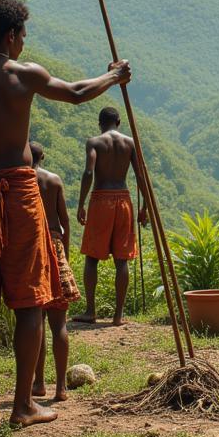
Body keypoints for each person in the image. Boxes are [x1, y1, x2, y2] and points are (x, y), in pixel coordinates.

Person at [0, 0, 131, 430]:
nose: (25, 42)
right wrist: (114, 75)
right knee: (29, 301)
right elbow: (78, 93)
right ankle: (23, 406)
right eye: (23, 34)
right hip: (19, 193)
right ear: (11, 35)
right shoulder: (24, 75)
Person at [75, 106, 147, 326]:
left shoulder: (94, 142)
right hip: (123, 199)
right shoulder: (129, 143)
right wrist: (144, 206)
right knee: (121, 259)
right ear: (118, 121)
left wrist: (80, 204)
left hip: (101, 199)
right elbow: (140, 173)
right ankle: (118, 315)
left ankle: (90, 311)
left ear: (100, 123)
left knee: (92, 258)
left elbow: (89, 172)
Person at [28, 141, 78, 403]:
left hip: (33, 249)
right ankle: (60, 388)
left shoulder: (23, 180)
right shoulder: (54, 180)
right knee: (58, 322)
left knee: (35, 319)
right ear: (43, 157)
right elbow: (65, 220)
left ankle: (38, 383)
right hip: (55, 246)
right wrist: (64, 255)